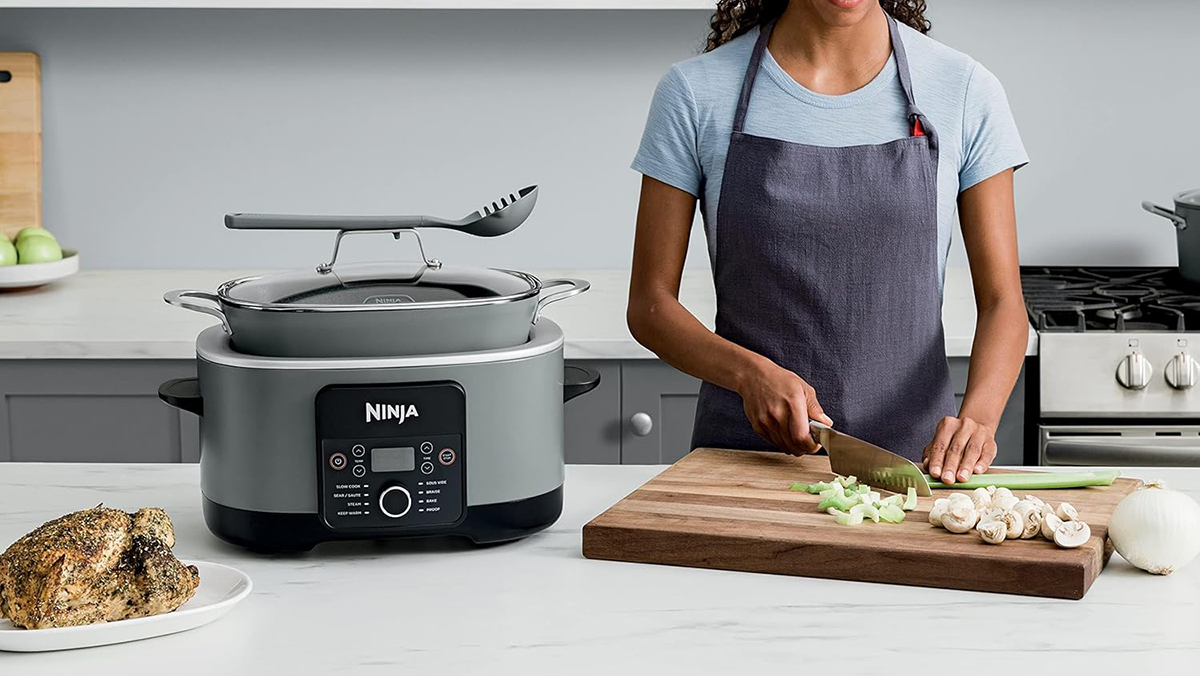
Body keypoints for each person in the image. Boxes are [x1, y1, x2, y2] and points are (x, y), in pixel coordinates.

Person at [626, 0, 1029, 485]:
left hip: (914, 469)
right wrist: (748, 374)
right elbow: (649, 305)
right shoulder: (696, 92)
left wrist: (978, 421)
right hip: (745, 464)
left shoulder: (964, 90)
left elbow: (1004, 302)